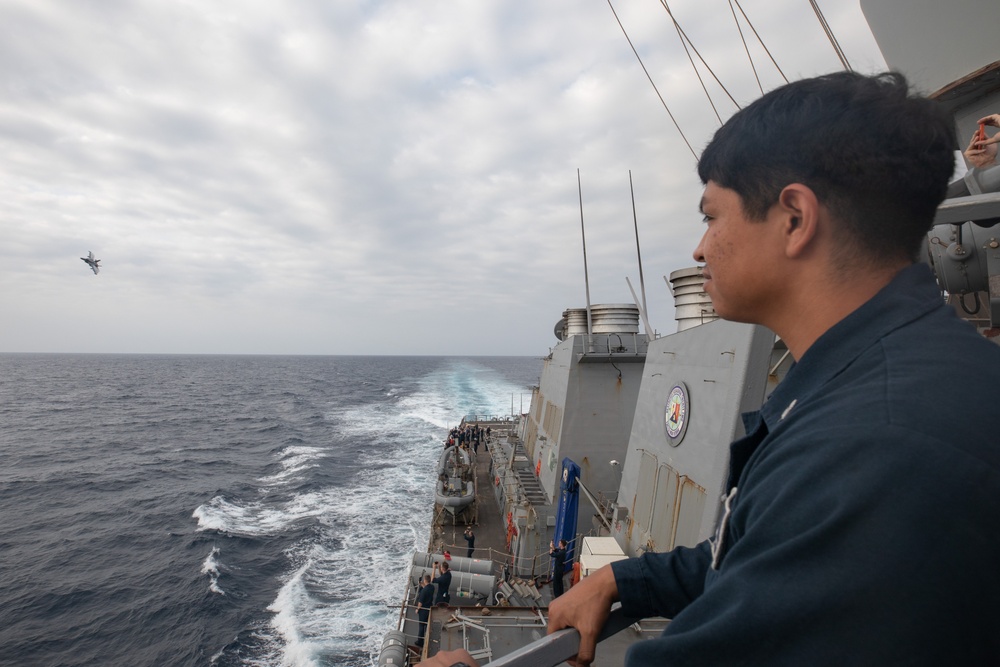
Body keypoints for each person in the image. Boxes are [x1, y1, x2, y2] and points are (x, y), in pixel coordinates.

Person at [423, 71, 1000, 667]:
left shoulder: (875, 447)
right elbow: (765, 550)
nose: (700, 249)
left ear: (795, 219)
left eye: (712, 217)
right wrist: (627, 579)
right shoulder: (890, 381)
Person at [414, 574, 435, 649]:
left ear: (425, 580)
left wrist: (417, 609)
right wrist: (423, 585)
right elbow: (427, 588)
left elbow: (420, 603)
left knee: (421, 626)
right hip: (429, 608)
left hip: (423, 610)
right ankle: (427, 636)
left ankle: (420, 642)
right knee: (426, 624)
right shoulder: (432, 587)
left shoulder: (423, 591)